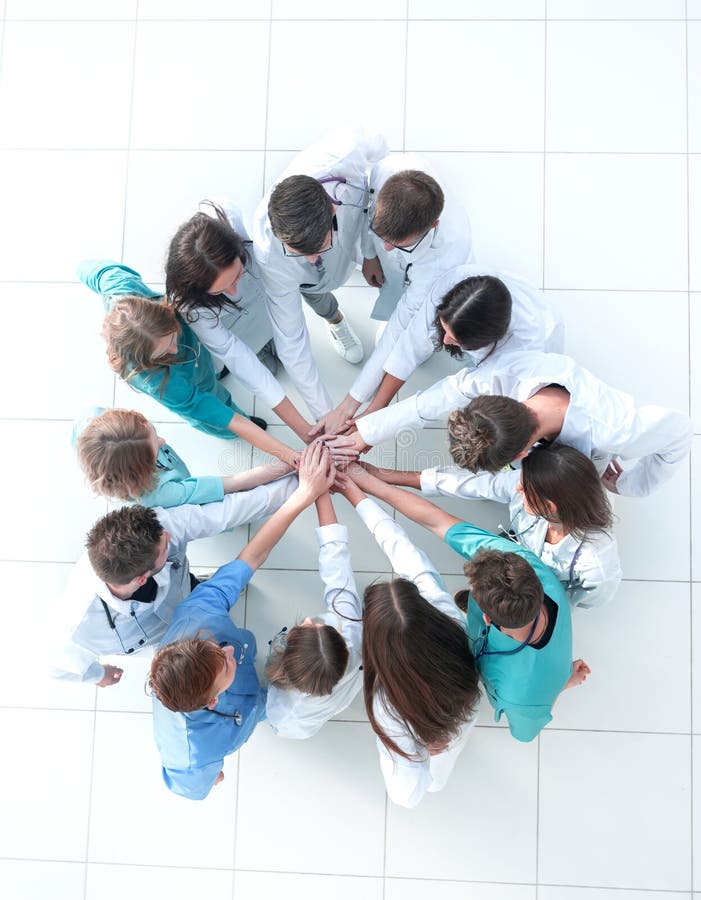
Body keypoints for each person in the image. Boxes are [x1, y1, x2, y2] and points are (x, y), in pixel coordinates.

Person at [343, 464, 589, 744]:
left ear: (485, 618)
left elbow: (525, 734)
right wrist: (367, 482)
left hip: (526, 681)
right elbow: (436, 519)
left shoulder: (523, 695)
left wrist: (561, 684)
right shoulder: (528, 567)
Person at [147, 442, 336, 800]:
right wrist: (211, 775)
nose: (232, 647)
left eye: (215, 646)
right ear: (214, 701)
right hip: (253, 712)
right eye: (227, 662)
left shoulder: (195, 619)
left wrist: (304, 495)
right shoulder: (191, 757)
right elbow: (190, 788)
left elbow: (251, 557)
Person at [49, 467, 297, 687]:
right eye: (164, 549)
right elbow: (56, 666)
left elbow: (231, 511)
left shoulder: (159, 526)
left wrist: (302, 481)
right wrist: (97, 674)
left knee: (196, 589)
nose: (170, 538)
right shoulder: (76, 624)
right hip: (165, 642)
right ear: (141, 579)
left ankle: (203, 587)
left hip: (183, 589)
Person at [342, 349, 693, 498]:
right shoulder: (500, 375)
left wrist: (628, 485)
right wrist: (366, 432)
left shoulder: (617, 428)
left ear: (523, 453)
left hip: (583, 466)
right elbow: (432, 401)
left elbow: (679, 435)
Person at [336, 471, 480, 808]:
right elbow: (403, 550)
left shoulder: (386, 703)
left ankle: (437, 776)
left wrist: (419, 753)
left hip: (432, 738)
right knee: (448, 748)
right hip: (462, 714)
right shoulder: (449, 616)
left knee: (432, 779)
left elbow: (404, 795)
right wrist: (358, 496)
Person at [78, 258, 299, 466]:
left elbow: (94, 270)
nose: (175, 348)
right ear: (147, 360)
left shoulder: (122, 290)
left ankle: (216, 370)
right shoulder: (163, 384)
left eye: (172, 336)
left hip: (199, 356)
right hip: (191, 383)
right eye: (165, 351)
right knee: (219, 403)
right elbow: (229, 418)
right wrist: (290, 456)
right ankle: (228, 432)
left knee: (210, 363)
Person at [363, 441, 622, 609]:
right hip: (520, 549)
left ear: (550, 506)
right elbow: (466, 484)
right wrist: (383, 476)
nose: (517, 487)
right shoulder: (534, 487)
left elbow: (585, 600)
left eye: (524, 488)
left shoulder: (596, 563)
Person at [251, 125, 388, 426]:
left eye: (319, 247)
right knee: (313, 289)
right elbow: (291, 341)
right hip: (302, 279)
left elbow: (376, 187)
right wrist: (326, 415)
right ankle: (335, 320)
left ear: (332, 209)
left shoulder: (343, 154)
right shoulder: (269, 253)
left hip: (353, 237)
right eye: (300, 252)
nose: (314, 260)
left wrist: (368, 251)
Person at [325, 157, 474, 427]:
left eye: (399, 244)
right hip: (400, 252)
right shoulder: (387, 172)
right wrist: (370, 254)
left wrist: (351, 402)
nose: (389, 248)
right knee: (391, 280)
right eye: (383, 237)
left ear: (433, 227)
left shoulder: (448, 256)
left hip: (431, 276)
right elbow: (366, 216)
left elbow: (403, 324)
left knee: (412, 328)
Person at [330, 263, 563, 426]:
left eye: (455, 339)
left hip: (523, 366)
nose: (444, 340)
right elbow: (413, 342)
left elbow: (449, 394)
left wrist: (376, 427)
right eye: (444, 328)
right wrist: (373, 410)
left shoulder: (523, 355)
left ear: (485, 340)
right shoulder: (460, 280)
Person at [164, 199, 312, 442]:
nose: (233, 292)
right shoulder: (189, 306)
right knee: (261, 364)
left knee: (286, 347)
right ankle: (262, 347)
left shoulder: (235, 222)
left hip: (262, 306)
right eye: (220, 291)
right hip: (235, 330)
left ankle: (269, 341)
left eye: (237, 276)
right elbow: (238, 357)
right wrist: (302, 429)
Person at [265, 492, 363, 739]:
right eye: (319, 626)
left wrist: (318, 489)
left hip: (295, 725)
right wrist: (320, 493)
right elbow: (336, 561)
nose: (309, 620)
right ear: (342, 642)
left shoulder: (285, 715)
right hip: (335, 699)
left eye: (307, 627)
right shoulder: (352, 628)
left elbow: (336, 562)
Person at [74, 406, 285, 509]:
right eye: (155, 449)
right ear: (140, 472)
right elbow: (231, 483)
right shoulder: (160, 495)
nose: (163, 441)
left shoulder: (95, 421)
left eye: (154, 433)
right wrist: (286, 464)